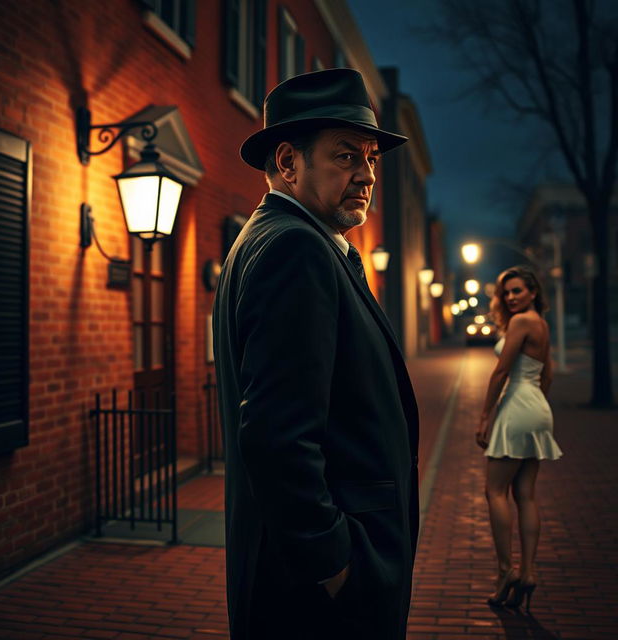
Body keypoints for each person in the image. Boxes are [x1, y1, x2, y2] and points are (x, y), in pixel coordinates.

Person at [212, 69, 419, 640]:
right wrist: (337, 566)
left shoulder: (289, 241)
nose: (368, 174)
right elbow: (277, 436)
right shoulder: (294, 249)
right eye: (347, 155)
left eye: (372, 158)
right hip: (319, 600)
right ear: (287, 162)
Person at [475, 265, 563, 611]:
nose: (511, 298)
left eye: (517, 291)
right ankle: (527, 573)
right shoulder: (541, 323)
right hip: (538, 406)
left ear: (533, 292)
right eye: (506, 292)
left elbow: (501, 371)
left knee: (494, 490)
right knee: (525, 494)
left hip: (517, 403)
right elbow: (549, 373)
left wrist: (485, 416)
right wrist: (536, 405)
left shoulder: (521, 322)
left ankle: (504, 571)